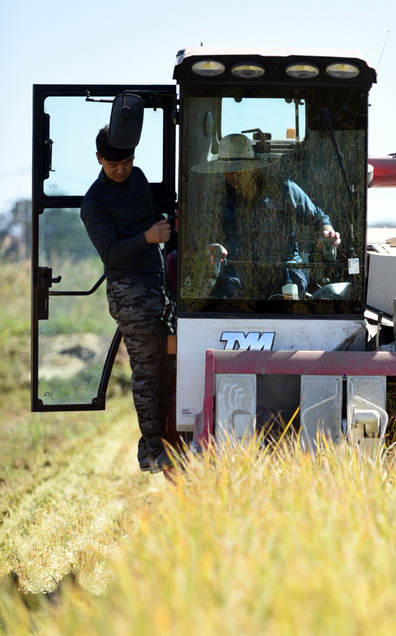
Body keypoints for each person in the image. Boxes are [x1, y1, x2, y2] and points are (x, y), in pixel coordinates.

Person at [81, 127, 175, 473]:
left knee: (168, 368)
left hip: (158, 286)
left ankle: (155, 443)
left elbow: (151, 213)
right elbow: (110, 254)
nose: (121, 170)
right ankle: (154, 450)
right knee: (148, 371)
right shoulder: (93, 203)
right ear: (99, 159)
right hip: (129, 293)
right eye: (113, 165)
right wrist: (148, 237)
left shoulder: (138, 178)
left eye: (127, 162)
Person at [191, 133, 340, 301]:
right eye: (229, 169)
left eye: (240, 167)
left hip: (284, 268)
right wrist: (211, 248)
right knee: (226, 295)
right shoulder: (217, 198)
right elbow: (205, 236)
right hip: (240, 269)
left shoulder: (284, 189)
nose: (235, 174)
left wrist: (327, 232)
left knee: (291, 293)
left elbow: (319, 218)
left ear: (253, 167)